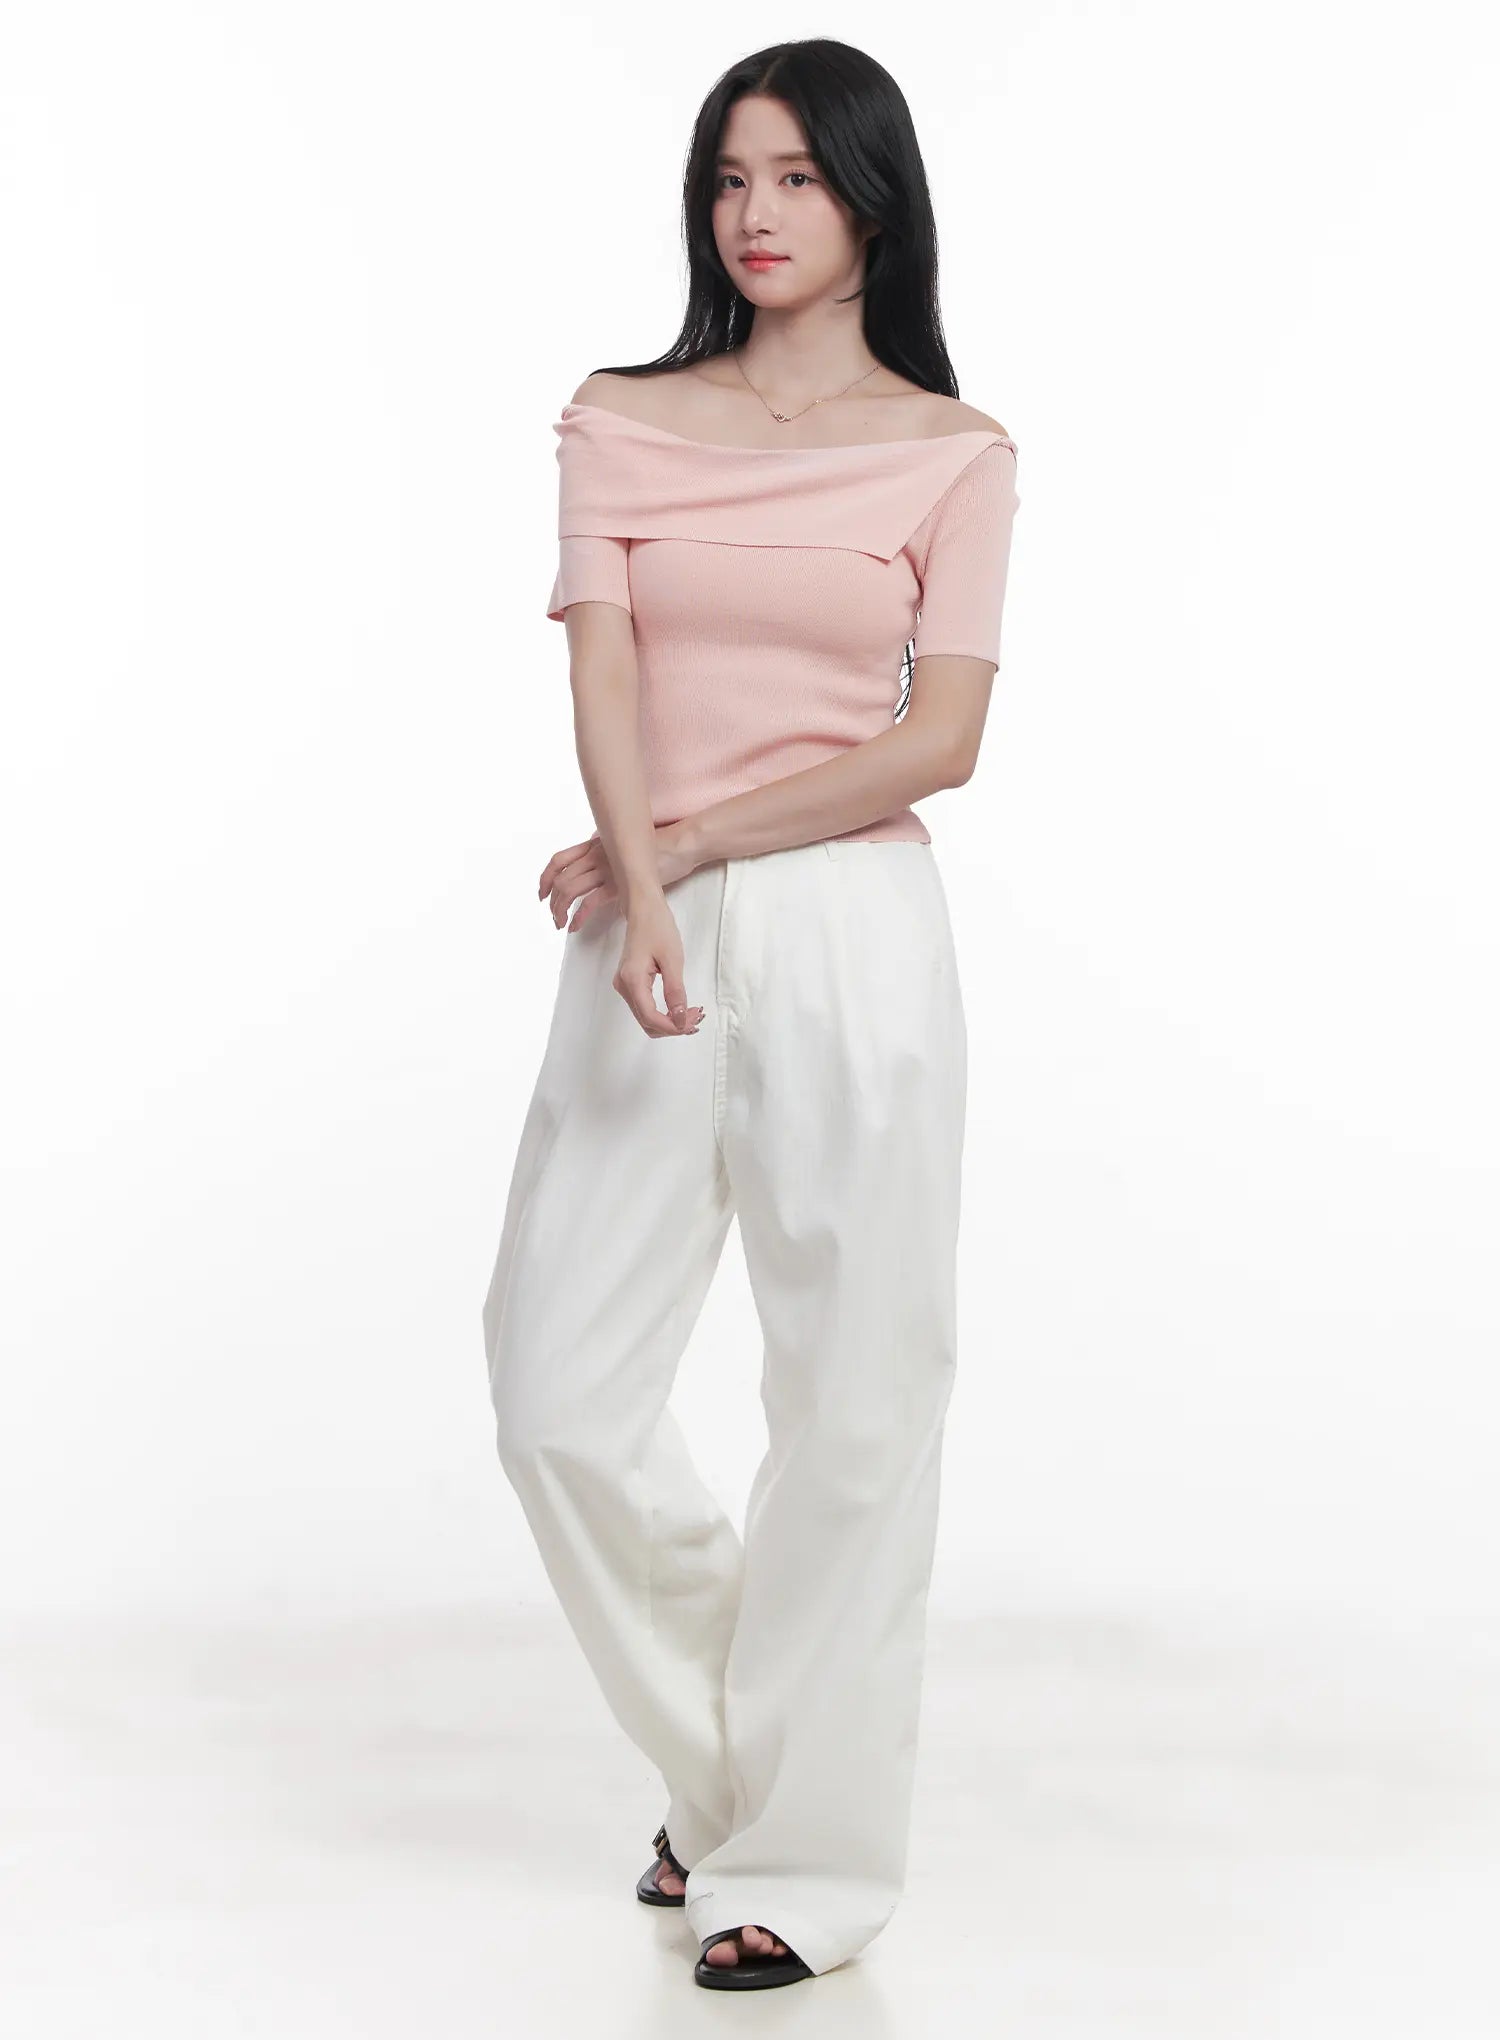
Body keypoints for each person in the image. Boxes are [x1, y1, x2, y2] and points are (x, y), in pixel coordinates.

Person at [481, 37, 1021, 1993]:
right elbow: (606, 671)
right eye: (730, 177)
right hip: (646, 927)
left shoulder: (956, 454)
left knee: (861, 1396)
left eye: (796, 176)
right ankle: (741, 1784)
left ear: (875, 197)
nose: (756, 214)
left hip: (854, 921)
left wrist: (691, 840)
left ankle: (809, 1862)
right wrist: (645, 878)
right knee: (556, 1390)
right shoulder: (622, 418)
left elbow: (940, 742)